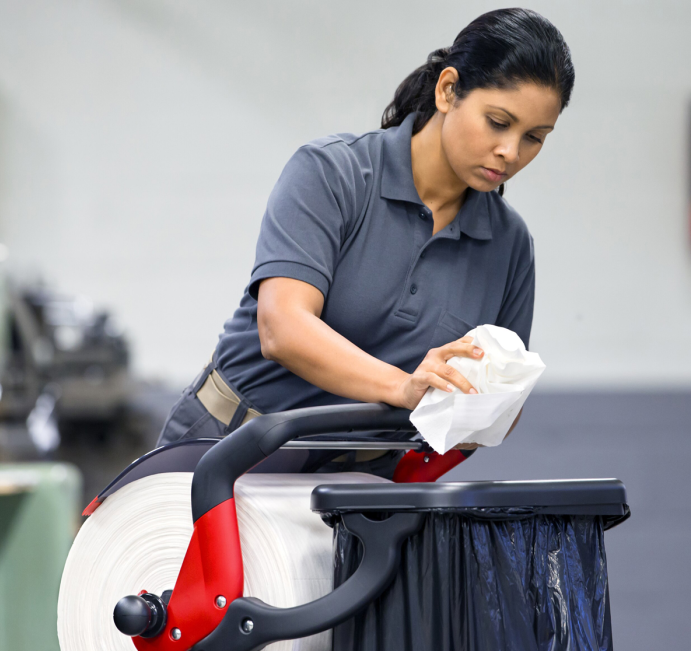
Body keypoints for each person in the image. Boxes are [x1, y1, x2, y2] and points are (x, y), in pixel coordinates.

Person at [157, 8, 575, 478]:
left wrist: (484, 403)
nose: (511, 152)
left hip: (358, 484)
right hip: (222, 452)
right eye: (498, 122)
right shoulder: (332, 174)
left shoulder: (510, 246)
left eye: (534, 137)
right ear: (447, 90)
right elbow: (282, 329)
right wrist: (403, 387)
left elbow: (497, 406)